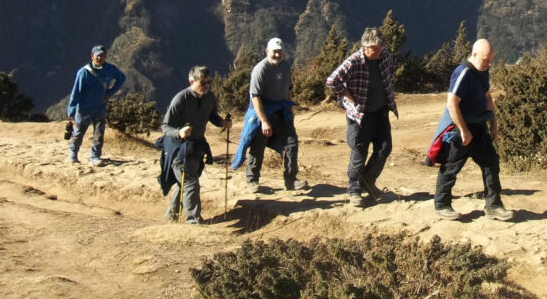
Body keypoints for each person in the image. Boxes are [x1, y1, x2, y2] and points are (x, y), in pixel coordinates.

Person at [432, 39, 512, 221]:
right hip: (462, 129)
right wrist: (463, 130)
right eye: (486, 59)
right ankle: (442, 205)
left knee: (491, 163)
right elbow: (452, 103)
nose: (489, 64)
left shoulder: (483, 70)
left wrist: (493, 122)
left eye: (491, 60)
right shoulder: (463, 72)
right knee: (452, 166)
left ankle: (493, 205)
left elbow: (487, 96)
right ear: (474, 54)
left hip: (479, 127)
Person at [326, 27, 399, 207]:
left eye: (380, 47)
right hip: (360, 115)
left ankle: (368, 181)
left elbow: (391, 71)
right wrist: (346, 94)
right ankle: (354, 190)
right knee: (359, 151)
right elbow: (331, 80)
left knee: (384, 148)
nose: (378, 51)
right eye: (375, 48)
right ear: (365, 47)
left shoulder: (385, 56)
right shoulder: (354, 62)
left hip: (381, 111)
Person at [232, 37, 308, 193]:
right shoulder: (260, 69)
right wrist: (264, 121)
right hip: (263, 112)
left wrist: (290, 109)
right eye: (274, 52)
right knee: (258, 146)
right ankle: (252, 180)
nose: (277, 55)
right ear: (267, 51)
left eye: (280, 52)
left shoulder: (285, 67)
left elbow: (288, 89)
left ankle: (291, 179)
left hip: (281, 111)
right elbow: (255, 98)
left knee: (291, 143)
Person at [160, 65, 232, 224]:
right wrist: (179, 132)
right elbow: (165, 126)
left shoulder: (210, 97)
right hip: (178, 148)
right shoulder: (180, 99)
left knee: (185, 182)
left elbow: (212, 115)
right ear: (191, 81)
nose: (207, 86)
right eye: (203, 83)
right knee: (191, 183)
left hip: (197, 147)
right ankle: (193, 220)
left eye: (209, 82)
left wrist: (222, 123)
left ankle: (171, 214)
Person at [66, 44, 125, 165]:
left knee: (99, 133)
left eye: (102, 56)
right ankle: (73, 154)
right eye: (98, 56)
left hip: (100, 107)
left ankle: (95, 156)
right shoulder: (83, 73)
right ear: (92, 56)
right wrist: (71, 110)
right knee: (78, 133)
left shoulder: (110, 69)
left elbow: (122, 78)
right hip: (84, 108)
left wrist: (110, 93)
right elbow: (76, 92)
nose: (100, 58)